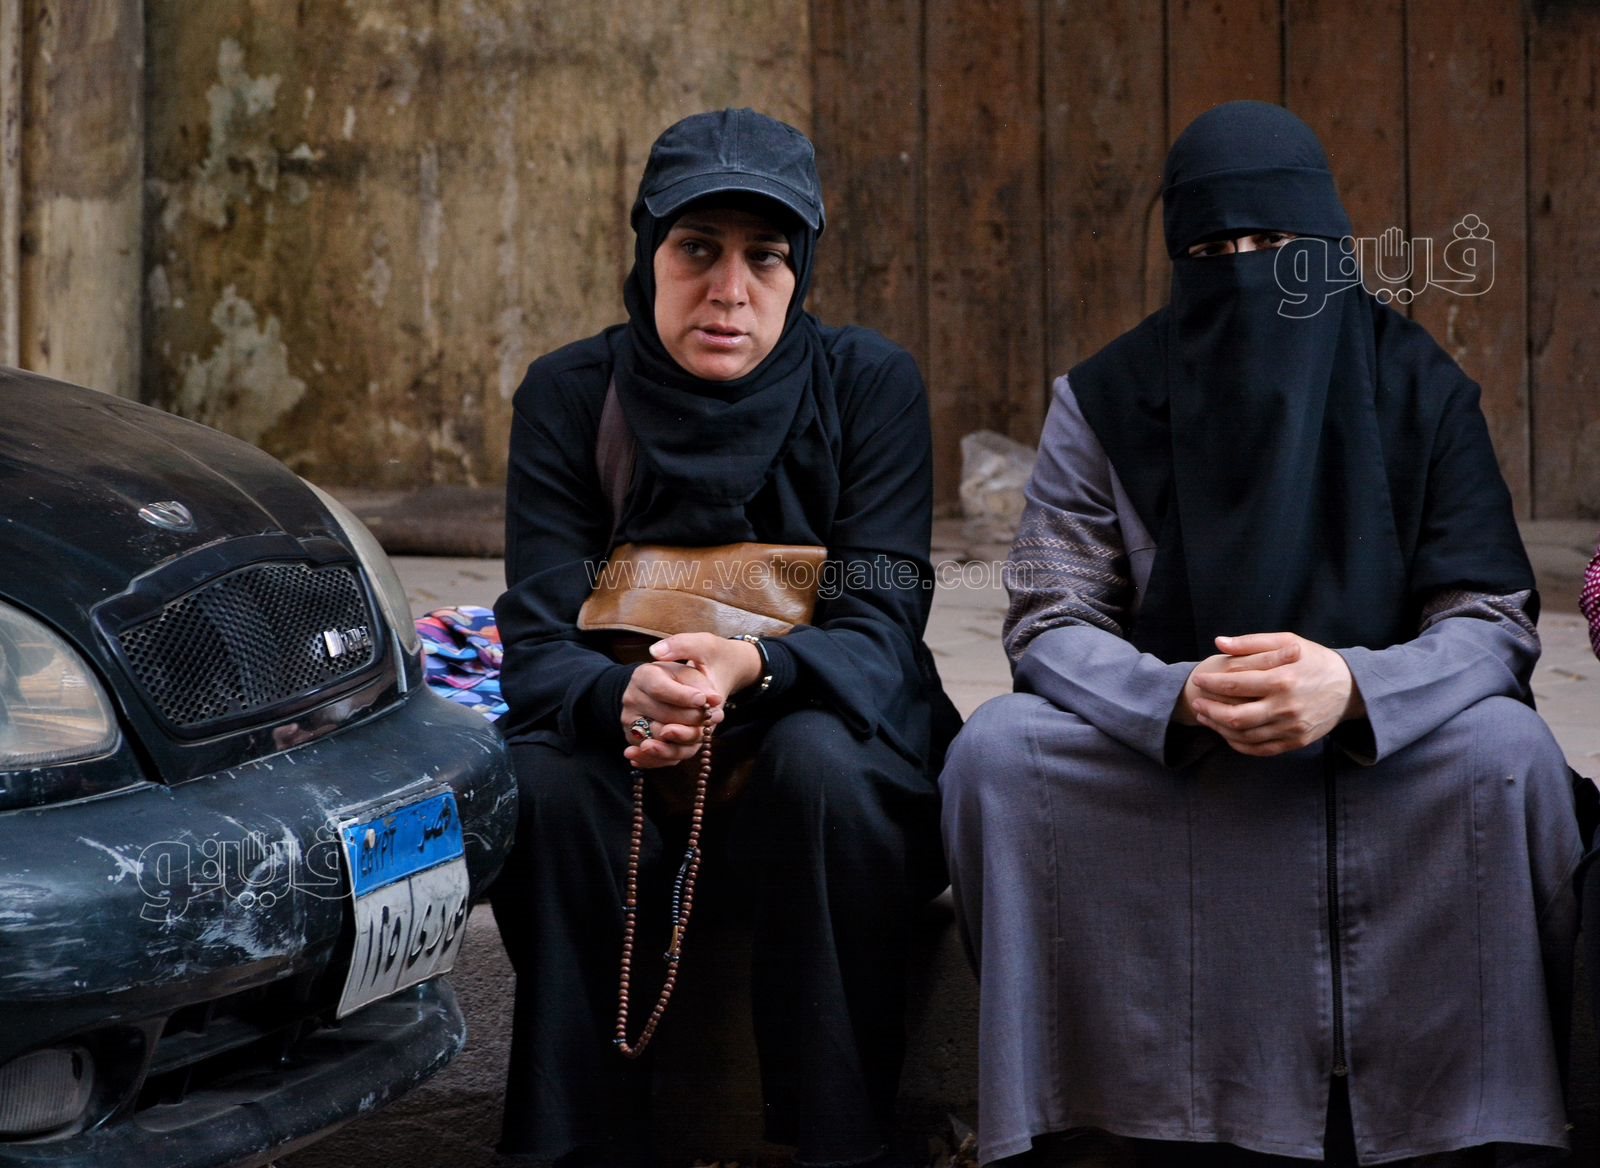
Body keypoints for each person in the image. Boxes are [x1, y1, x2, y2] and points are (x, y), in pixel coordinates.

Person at [939, 101, 1584, 1166]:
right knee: (997, 757)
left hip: (1374, 760)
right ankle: (1090, 1122)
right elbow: (1051, 616)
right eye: (1211, 252)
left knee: (1507, 754)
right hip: (1180, 761)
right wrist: (1178, 697)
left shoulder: (1421, 389)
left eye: (1273, 244)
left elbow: (1488, 615)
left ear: (1328, 245)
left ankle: (1468, 1129)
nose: (1243, 272)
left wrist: (1353, 688)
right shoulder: (1105, 400)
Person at [490, 108, 955, 1168]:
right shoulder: (572, 396)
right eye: (697, 249)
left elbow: (883, 620)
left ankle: (835, 1144)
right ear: (648, 252)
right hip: (633, 755)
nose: (729, 290)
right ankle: (580, 1146)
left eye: (765, 257)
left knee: (820, 764)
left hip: (805, 764)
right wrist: (624, 697)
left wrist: (752, 665)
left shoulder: (867, 387)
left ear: (802, 272)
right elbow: (538, 638)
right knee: (545, 786)